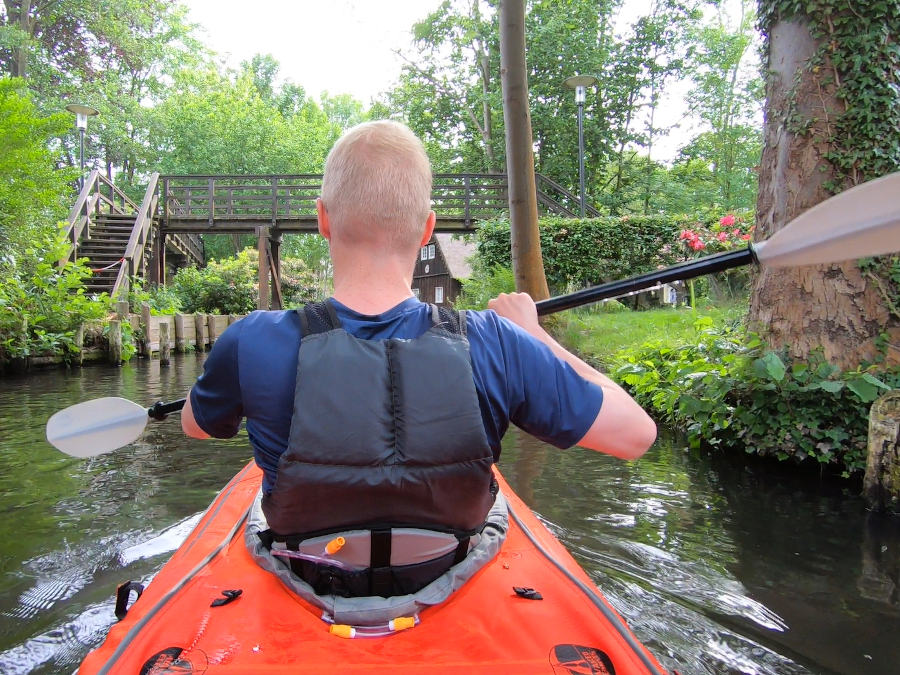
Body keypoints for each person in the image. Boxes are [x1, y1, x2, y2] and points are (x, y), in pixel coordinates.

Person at [181, 120, 656, 600]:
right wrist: (534, 335)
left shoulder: (250, 340)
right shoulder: (498, 341)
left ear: (322, 218)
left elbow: (196, 426)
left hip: (305, 572)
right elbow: (637, 435)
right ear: (428, 227)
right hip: (445, 571)